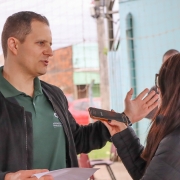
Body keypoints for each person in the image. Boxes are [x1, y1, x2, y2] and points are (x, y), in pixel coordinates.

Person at [0, 11, 158, 180]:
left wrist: (126, 117)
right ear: (14, 45)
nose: (50, 52)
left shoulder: (54, 95)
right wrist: (8, 178)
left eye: (50, 44)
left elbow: (77, 139)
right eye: (41, 43)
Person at [104, 53, 180, 180]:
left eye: (160, 81)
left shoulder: (174, 142)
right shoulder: (170, 131)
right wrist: (123, 133)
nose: (157, 89)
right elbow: (152, 171)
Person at [145, 49, 179, 119]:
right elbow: (147, 113)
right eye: (167, 64)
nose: (170, 69)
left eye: (174, 65)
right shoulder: (156, 90)